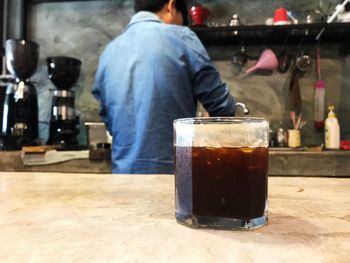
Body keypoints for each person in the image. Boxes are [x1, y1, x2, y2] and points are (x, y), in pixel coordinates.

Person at [92, 0, 236, 174]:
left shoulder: (109, 52)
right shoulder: (182, 37)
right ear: (171, 6)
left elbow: (109, 121)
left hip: (123, 177)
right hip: (176, 177)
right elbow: (223, 109)